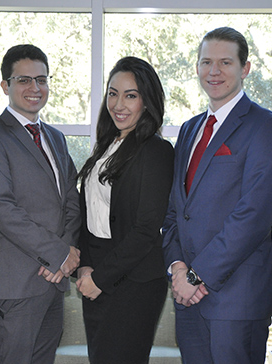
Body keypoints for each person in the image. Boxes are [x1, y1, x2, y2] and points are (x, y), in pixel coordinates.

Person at [162, 26, 272, 364]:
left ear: (245, 68)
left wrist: (196, 276)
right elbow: (176, 209)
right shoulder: (190, 129)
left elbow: (253, 216)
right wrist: (177, 268)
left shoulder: (267, 127)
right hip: (188, 297)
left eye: (225, 63)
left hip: (236, 299)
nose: (214, 71)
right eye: (206, 62)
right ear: (197, 67)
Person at [0, 44, 81, 364]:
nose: (35, 88)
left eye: (42, 80)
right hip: (13, 288)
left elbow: (71, 200)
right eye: (24, 80)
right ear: (5, 86)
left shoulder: (56, 138)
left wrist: (67, 251)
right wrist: (59, 254)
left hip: (52, 285)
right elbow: (3, 210)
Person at [75, 56, 174, 364]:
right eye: (113, 93)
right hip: (97, 273)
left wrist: (100, 278)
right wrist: (85, 267)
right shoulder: (106, 145)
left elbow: (146, 231)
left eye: (130, 95)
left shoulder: (156, 151)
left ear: (147, 101)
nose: (118, 104)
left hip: (134, 283)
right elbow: (90, 216)